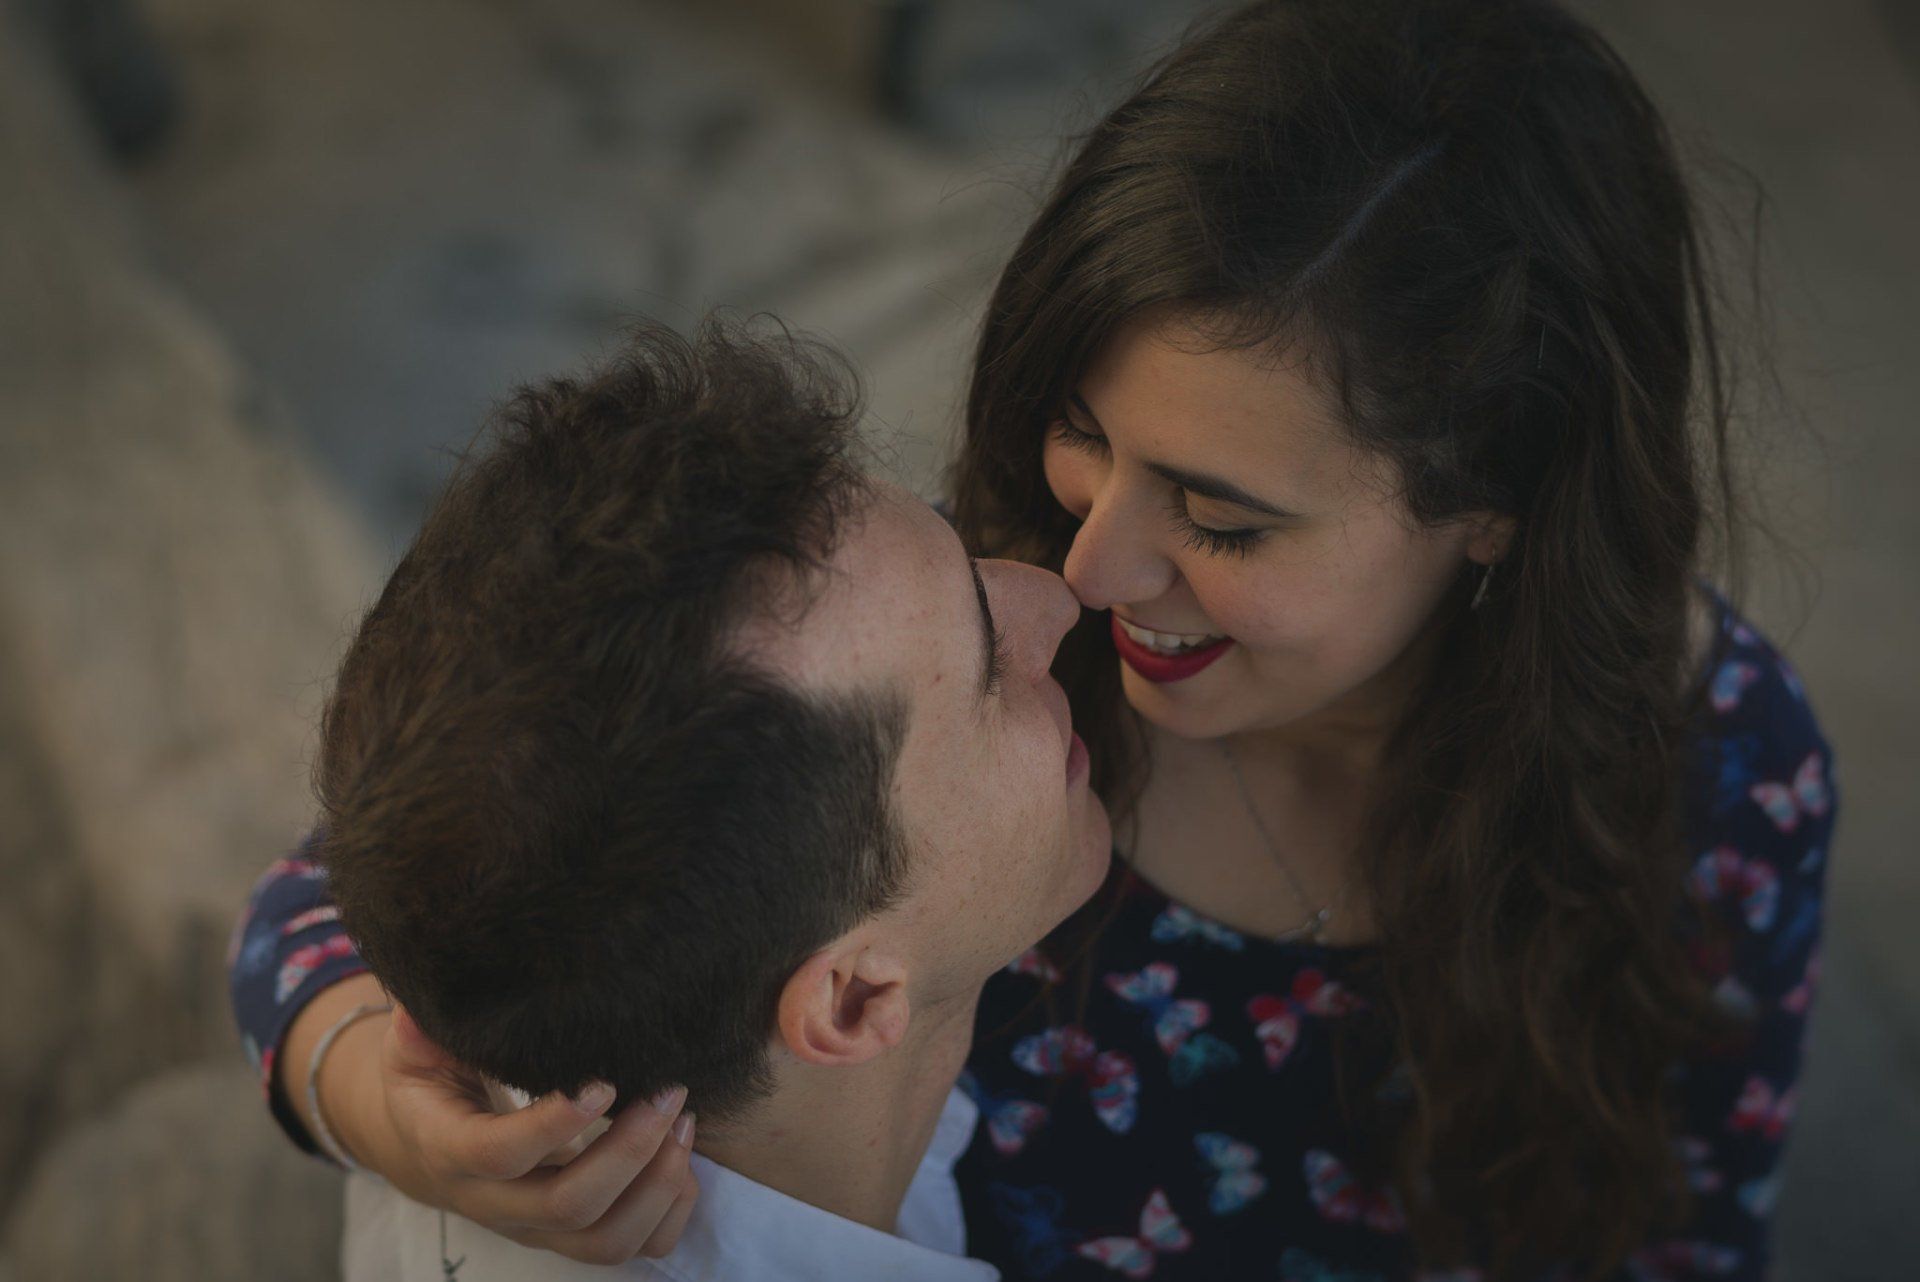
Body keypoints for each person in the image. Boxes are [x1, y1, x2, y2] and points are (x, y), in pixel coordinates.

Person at [231, 1, 1835, 1278]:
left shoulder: (1719, 785)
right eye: (1081, 427)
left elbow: (1679, 1237)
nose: (1080, 571)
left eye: (1222, 517)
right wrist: (380, 1093)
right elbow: (465, 850)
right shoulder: (920, 660)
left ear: (1497, 506)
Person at [236, 321, 1111, 1280]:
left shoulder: (517, 905)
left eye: (965, 558)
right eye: (987, 673)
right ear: (853, 1001)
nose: (1059, 599)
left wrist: (364, 1099)